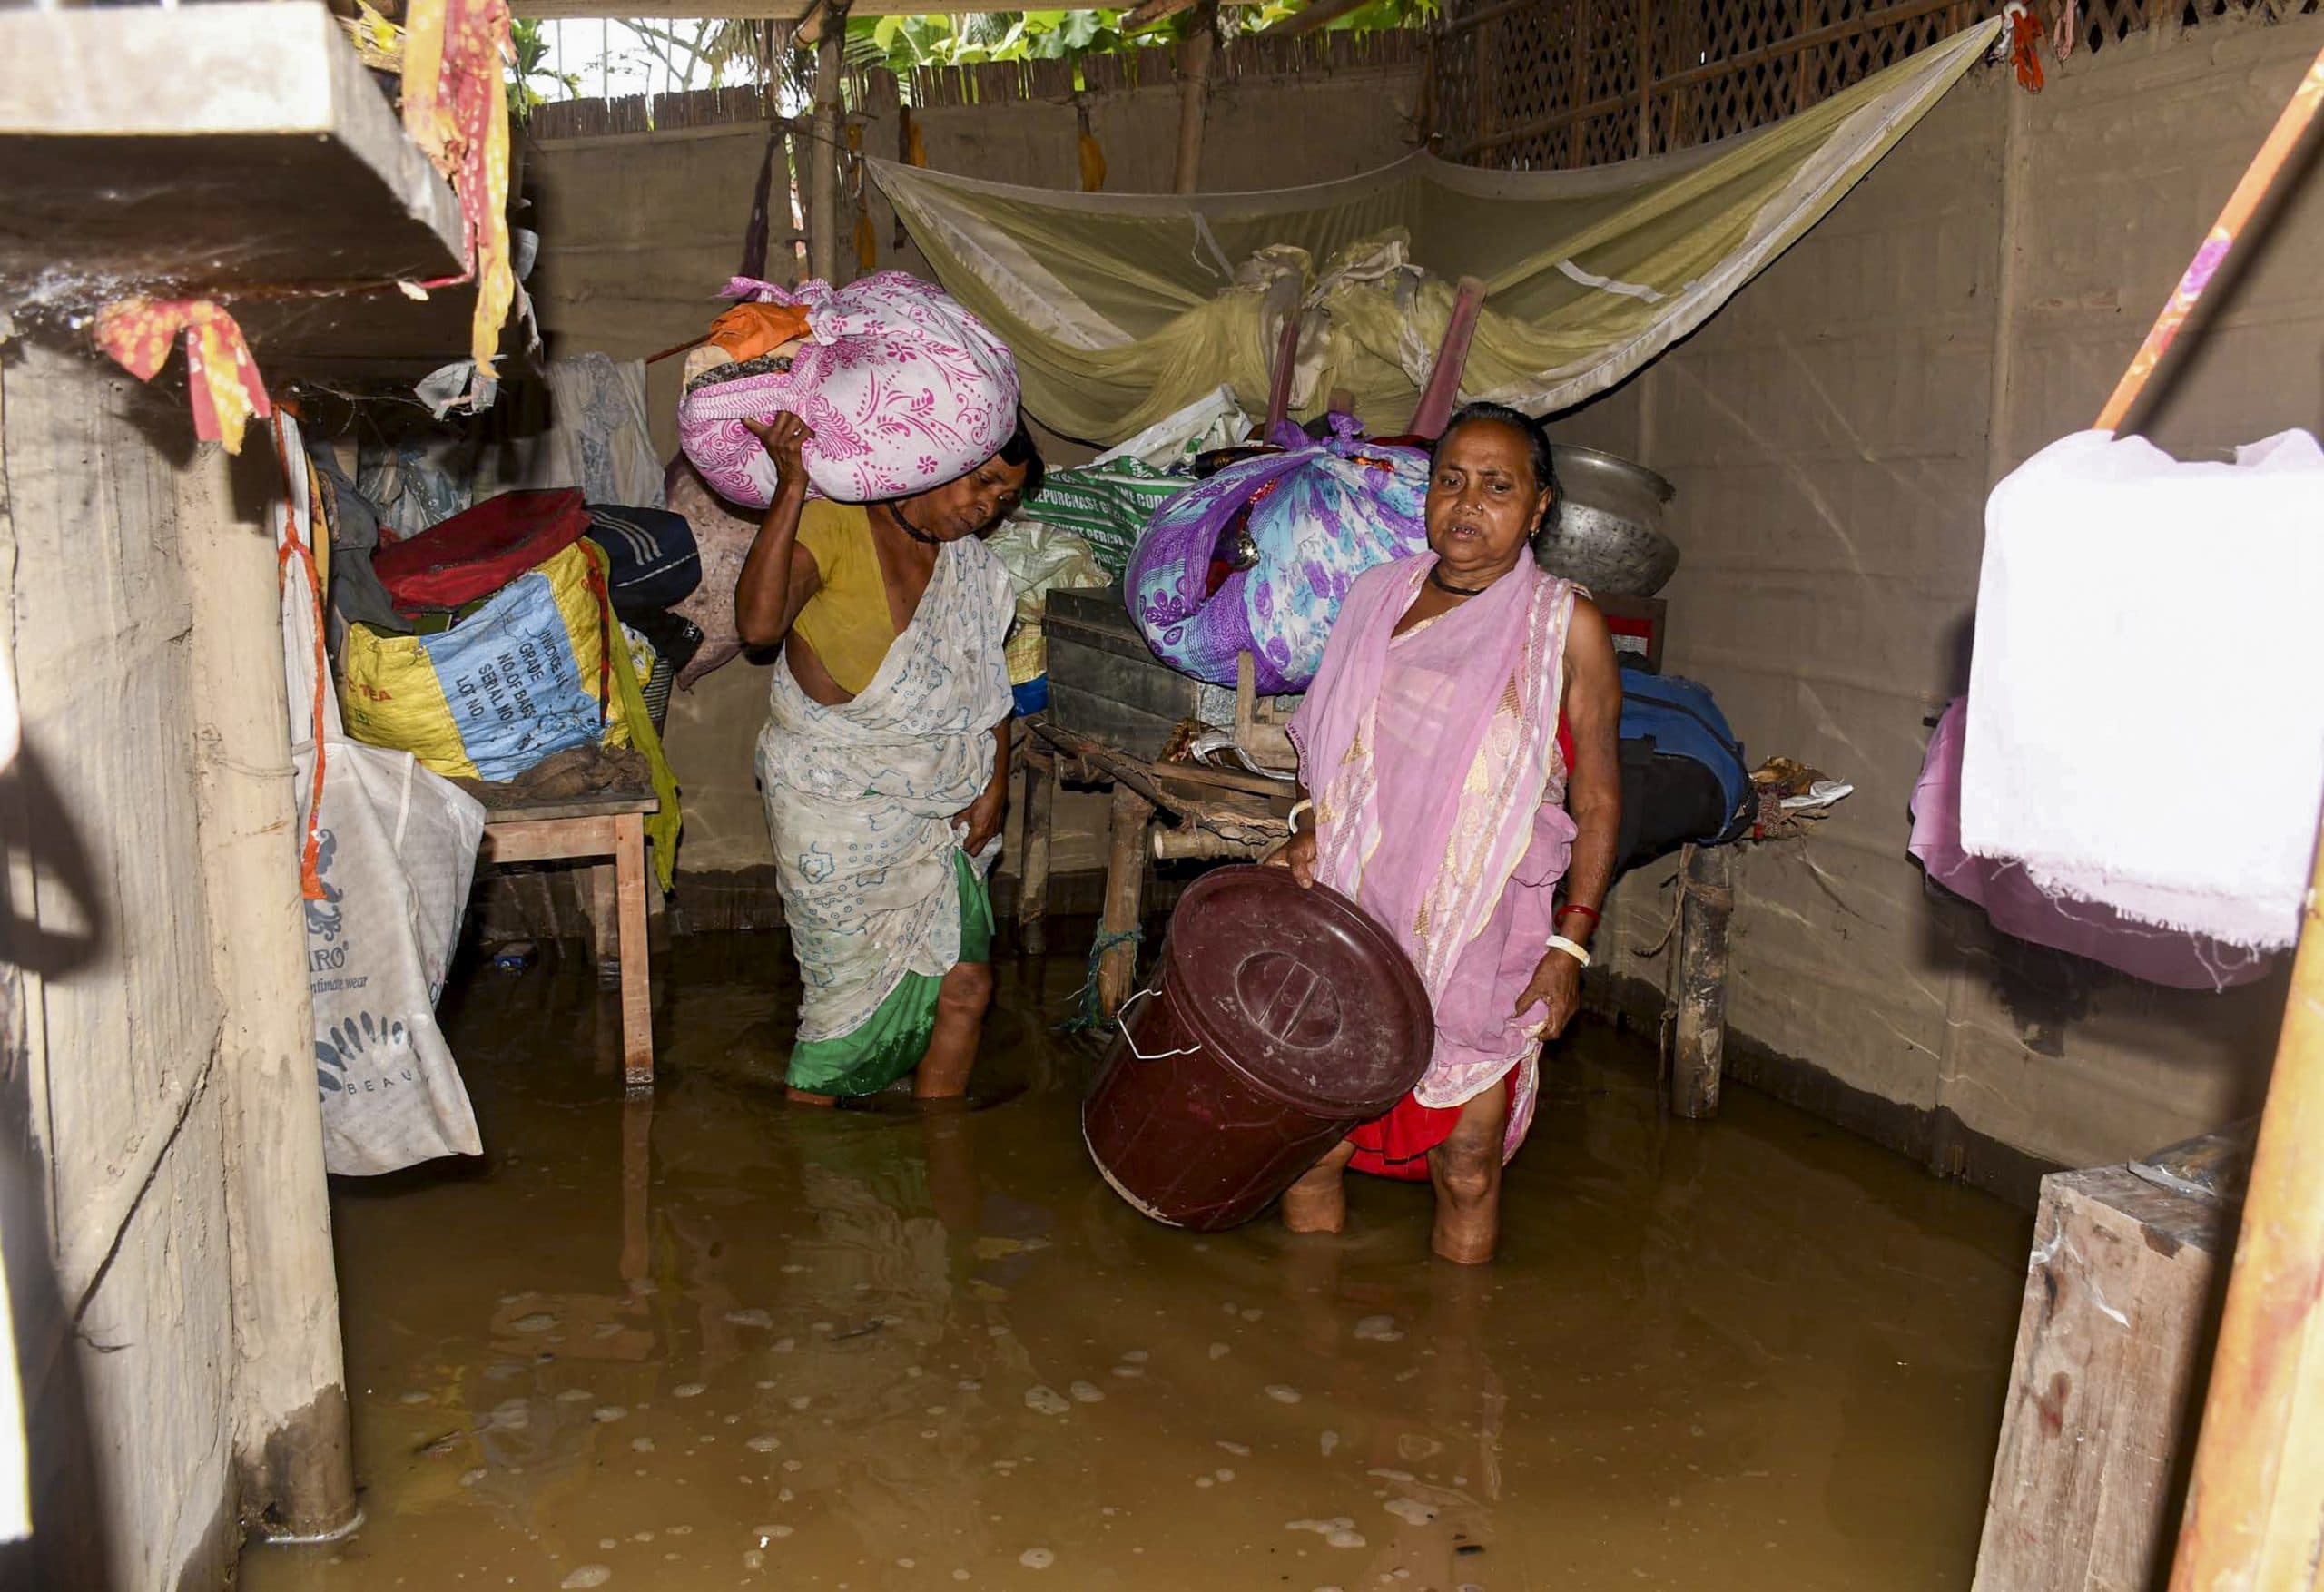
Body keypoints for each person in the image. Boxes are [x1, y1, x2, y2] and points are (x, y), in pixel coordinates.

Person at [1265, 402, 1621, 1263]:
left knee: (1466, 1166)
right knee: (1309, 1155)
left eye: (1498, 487)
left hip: (1481, 931)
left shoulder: (1563, 626)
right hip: (1354, 917)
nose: (1468, 505)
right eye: (1451, 482)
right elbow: (1327, 742)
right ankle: (1303, 1360)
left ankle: (1455, 1379)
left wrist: (1570, 950)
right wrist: (1308, 822)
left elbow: (1600, 799)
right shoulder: (1376, 597)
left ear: (1539, 507)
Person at [734, 411, 1044, 1105]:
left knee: (968, 986)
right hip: (832, 801)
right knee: (841, 1011)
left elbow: (984, 689)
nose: (983, 509)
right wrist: (792, 490)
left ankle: (942, 1153)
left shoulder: (975, 571)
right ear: (935, 462)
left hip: (941, 807)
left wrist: (995, 783)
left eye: (1001, 502)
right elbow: (757, 627)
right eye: (983, 482)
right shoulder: (839, 523)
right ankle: (811, 1153)